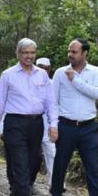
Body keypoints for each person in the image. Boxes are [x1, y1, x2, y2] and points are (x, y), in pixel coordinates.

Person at [0, 38, 58, 196]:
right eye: (25, 52)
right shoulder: (8, 75)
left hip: (36, 124)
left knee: (34, 162)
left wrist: (54, 125)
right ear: (18, 54)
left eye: (32, 53)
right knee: (20, 165)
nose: (29, 56)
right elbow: (0, 102)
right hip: (15, 124)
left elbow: (51, 102)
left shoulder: (42, 76)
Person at [50, 38, 98, 196]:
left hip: (88, 127)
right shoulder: (59, 73)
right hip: (66, 125)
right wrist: (53, 126)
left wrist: (76, 80)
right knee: (60, 163)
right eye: (69, 51)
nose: (70, 55)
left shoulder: (95, 72)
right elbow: (52, 101)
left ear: (85, 53)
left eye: (75, 51)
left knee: (93, 170)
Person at [33, 57, 56, 186]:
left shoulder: (53, 84)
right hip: (32, 125)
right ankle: (28, 184)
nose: (43, 70)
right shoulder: (28, 81)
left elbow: (55, 105)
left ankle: (56, 184)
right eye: (41, 67)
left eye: (46, 68)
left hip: (49, 126)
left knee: (52, 153)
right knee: (33, 157)